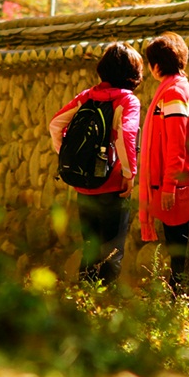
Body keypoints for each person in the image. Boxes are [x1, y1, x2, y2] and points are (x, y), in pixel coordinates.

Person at [50, 42, 143, 285]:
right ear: (133, 74)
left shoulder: (87, 97)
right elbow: (126, 136)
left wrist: (69, 155)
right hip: (113, 186)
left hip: (84, 185)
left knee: (90, 247)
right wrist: (129, 173)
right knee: (112, 251)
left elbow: (55, 124)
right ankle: (106, 300)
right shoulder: (128, 101)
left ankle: (85, 295)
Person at [139, 32, 189, 294]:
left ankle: (181, 303)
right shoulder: (184, 89)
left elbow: (176, 144)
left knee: (180, 254)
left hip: (178, 188)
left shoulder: (173, 94)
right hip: (184, 184)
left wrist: (169, 186)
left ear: (156, 65)